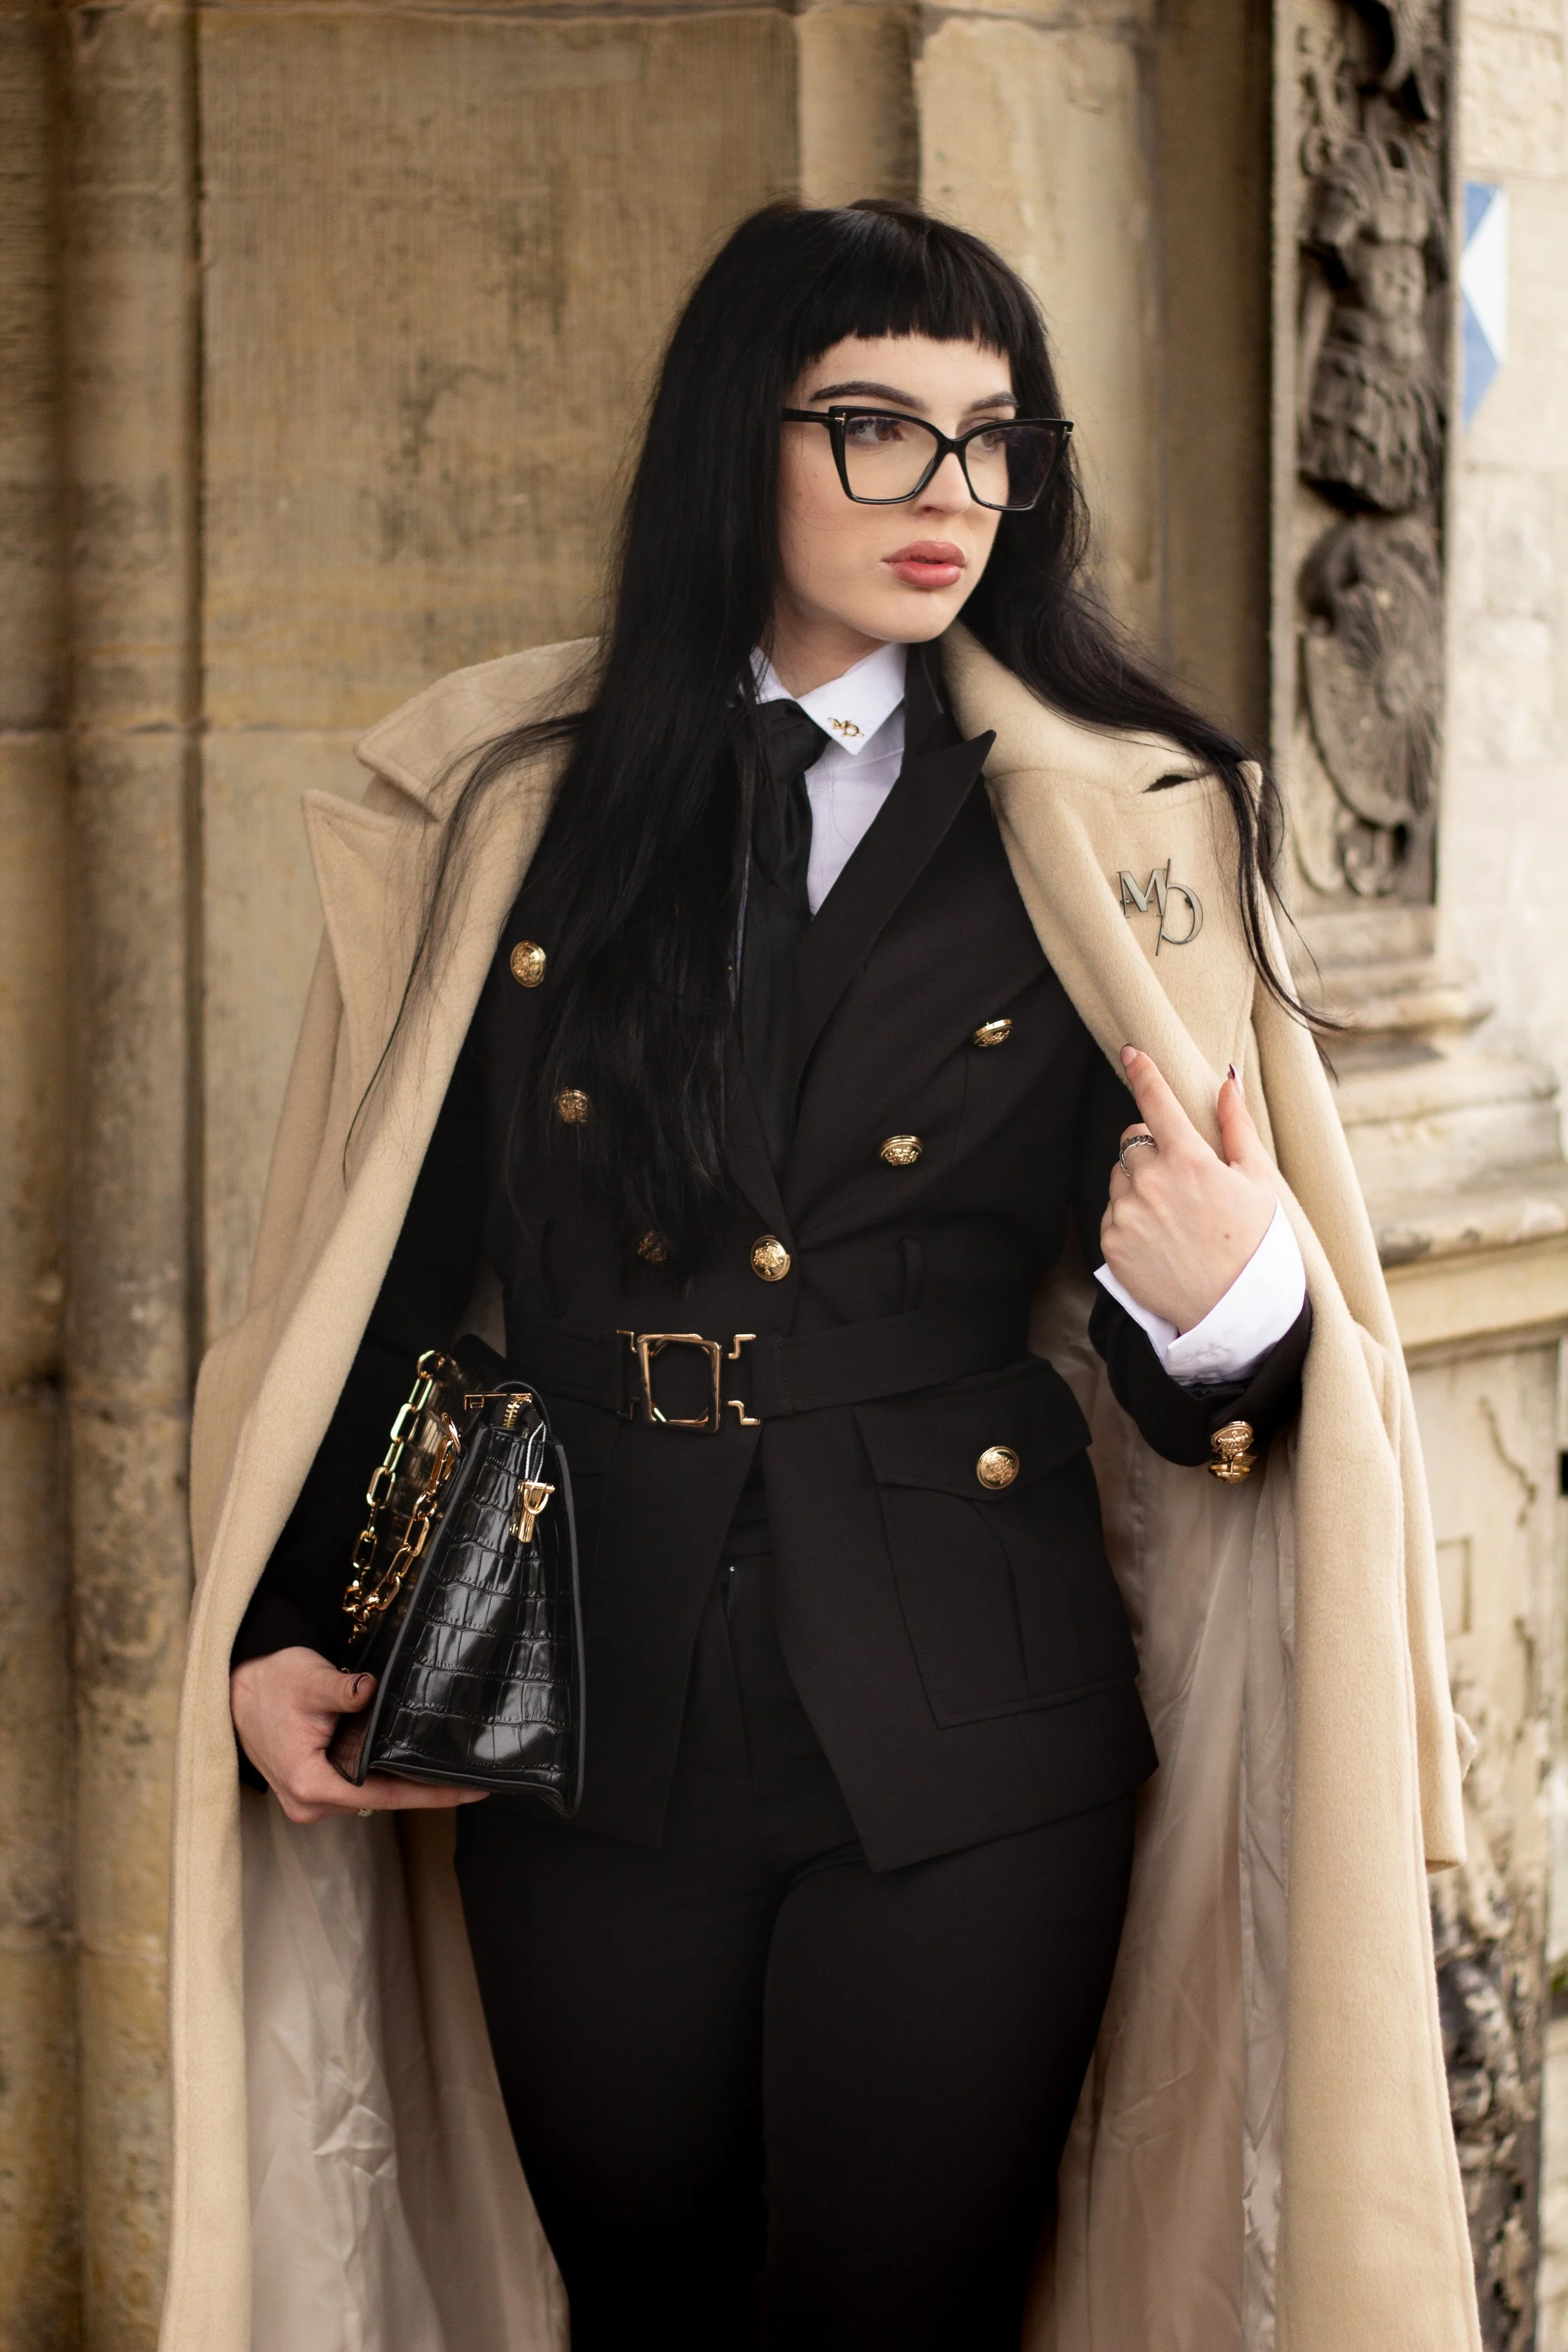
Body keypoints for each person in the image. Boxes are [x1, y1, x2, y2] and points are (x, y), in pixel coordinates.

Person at [162, 202, 1478, 2352]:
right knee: (646, 2307)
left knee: (901, 2309)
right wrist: (292, 1621)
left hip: (970, 1712)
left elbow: (1220, 1405)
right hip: (585, 1703)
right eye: (874, 428)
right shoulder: (518, 807)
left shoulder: (1116, 823)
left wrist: (1230, 1290)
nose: (946, 493)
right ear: (731, 442)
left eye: (989, 439)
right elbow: (392, 1261)